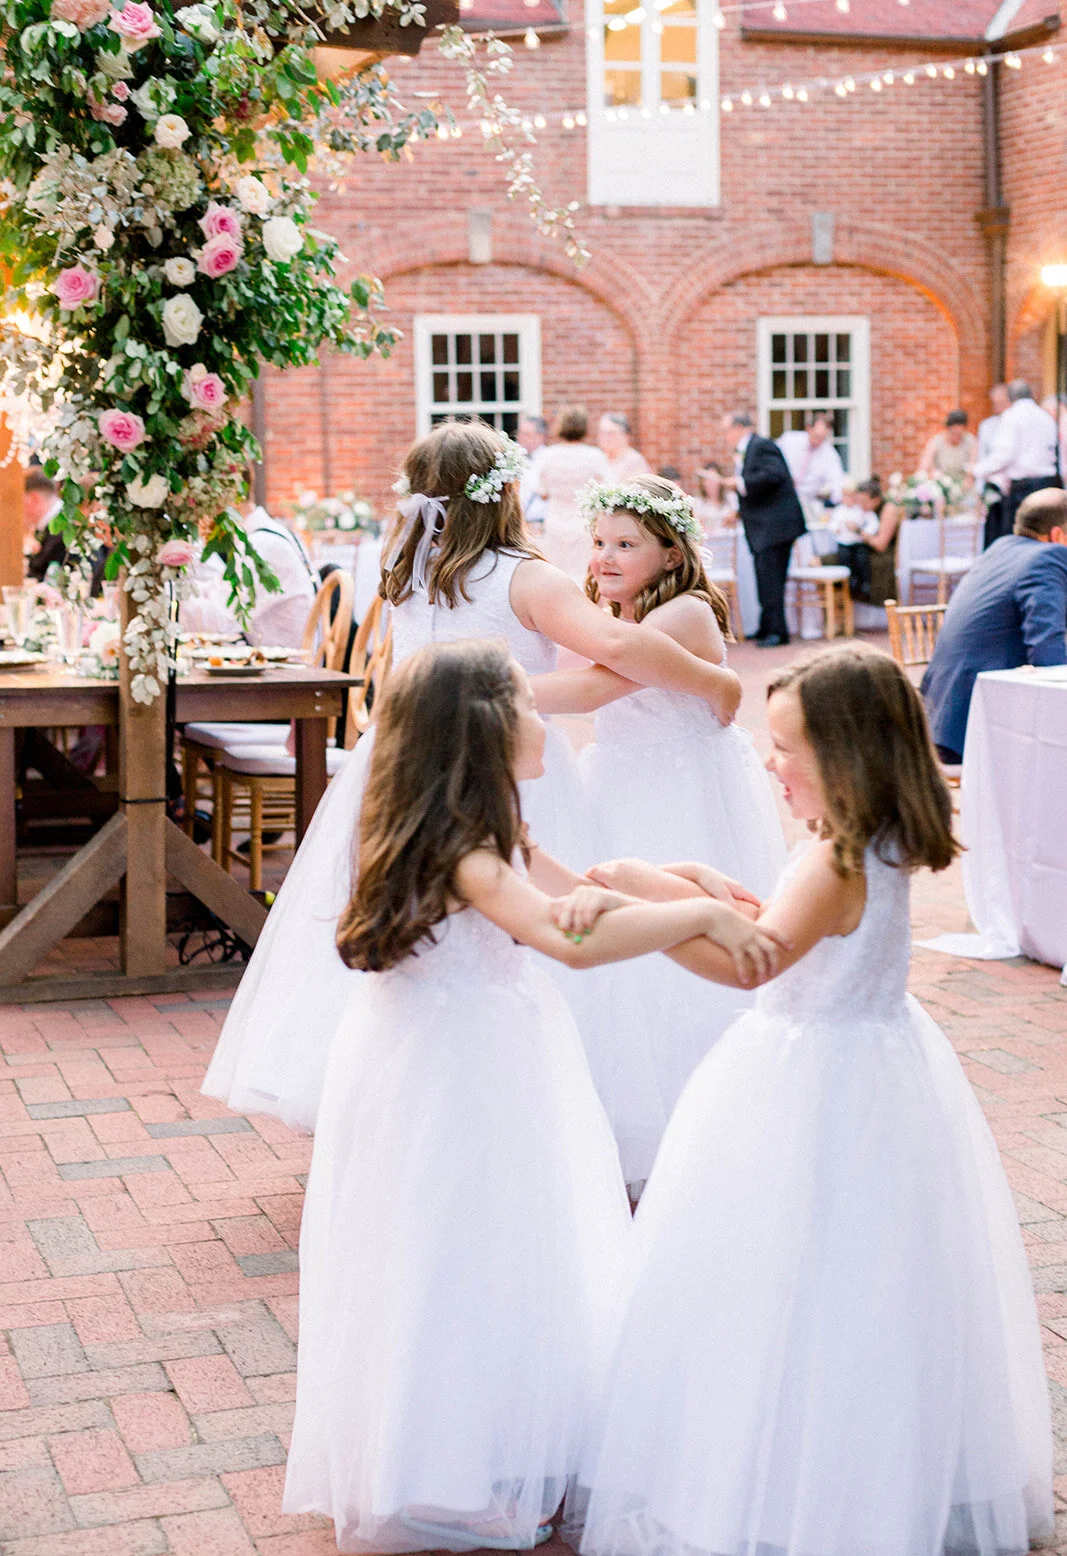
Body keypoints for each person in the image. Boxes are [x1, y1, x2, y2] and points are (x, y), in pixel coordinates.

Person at [564, 644, 1054, 1556]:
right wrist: (690, 887)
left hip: (808, 1078)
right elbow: (760, 914)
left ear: (845, 751)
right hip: (875, 1066)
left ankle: (785, 1483)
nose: (767, 761)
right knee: (867, 1279)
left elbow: (751, 962)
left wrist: (637, 915)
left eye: (784, 745)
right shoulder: (866, 843)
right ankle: (872, 1472)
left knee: (785, 1273)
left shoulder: (831, 862)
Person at [281, 639, 782, 1556]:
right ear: (480, 731)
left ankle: (502, 1440)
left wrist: (683, 881)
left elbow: (583, 890)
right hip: (453, 1068)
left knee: (514, 1243)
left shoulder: (491, 828)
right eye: (522, 701)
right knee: (458, 1250)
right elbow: (568, 939)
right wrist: (701, 920)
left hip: (490, 1047)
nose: (538, 712)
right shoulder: (461, 851)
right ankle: (447, 1463)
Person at [201, 421, 742, 1132]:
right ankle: (535, 1105)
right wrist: (712, 677)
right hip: (501, 764)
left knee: (421, 924)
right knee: (521, 924)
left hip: (400, 759)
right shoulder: (524, 574)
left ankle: (402, 1094)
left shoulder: (410, 570)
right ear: (504, 491)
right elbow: (614, 643)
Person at [534, 476, 786, 1186]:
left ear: (671, 554)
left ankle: (694, 1119)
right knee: (629, 941)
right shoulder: (623, 610)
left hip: (675, 788)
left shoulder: (678, 616)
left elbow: (591, 691)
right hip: (623, 779)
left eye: (625, 545)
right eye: (598, 543)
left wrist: (470, 680)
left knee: (667, 952)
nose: (603, 558)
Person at [921, 486, 1067, 764]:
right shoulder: (1048, 558)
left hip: (938, 719)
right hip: (976, 728)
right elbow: (1048, 653)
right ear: (1057, 535)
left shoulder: (998, 550)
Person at [182, 501, 318, 648]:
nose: (200, 513)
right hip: (268, 659)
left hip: (289, 666)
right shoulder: (267, 534)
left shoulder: (263, 545)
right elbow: (216, 588)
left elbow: (219, 624)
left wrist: (169, 597)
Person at [721, 410, 805, 647]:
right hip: (766, 527)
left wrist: (739, 483)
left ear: (739, 427)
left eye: (726, 430)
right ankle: (767, 625)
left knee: (772, 579)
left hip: (775, 527)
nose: (725, 436)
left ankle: (778, 632)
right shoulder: (750, 449)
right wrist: (739, 511)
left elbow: (774, 476)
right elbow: (763, 492)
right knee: (765, 577)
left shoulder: (761, 445)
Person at [973, 379, 1060, 544]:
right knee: (1044, 538)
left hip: (1023, 489)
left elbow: (1004, 455)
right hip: (1048, 483)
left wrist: (978, 470)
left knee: (1018, 540)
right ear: (1031, 395)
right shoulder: (1045, 416)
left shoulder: (1012, 416)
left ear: (1010, 398)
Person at [535, 406, 608, 581]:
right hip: (583, 521)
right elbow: (606, 490)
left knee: (557, 572)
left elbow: (541, 492)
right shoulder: (595, 456)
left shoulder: (547, 455)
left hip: (555, 522)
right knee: (583, 571)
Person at [828, 476, 901, 605]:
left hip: (877, 555)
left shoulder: (888, 509)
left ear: (876, 500)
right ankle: (835, 611)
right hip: (854, 548)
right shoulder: (857, 510)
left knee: (829, 563)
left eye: (864, 501)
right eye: (859, 501)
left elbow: (880, 545)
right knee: (823, 560)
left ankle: (840, 606)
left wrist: (858, 531)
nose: (861, 505)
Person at [775, 411, 845, 506]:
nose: (818, 441)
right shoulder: (789, 440)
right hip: (781, 495)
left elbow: (836, 480)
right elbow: (772, 460)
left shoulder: (830, 454)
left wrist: (836, 501)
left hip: (809, 501)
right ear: (808, 428)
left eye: (822, 438)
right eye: (816, 436)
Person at [976, 382, 1011, 548]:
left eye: (1001, 404)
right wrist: (979, 492)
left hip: (1012, 490)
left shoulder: (1016, 424)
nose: (998, 409)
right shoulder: (987, 426)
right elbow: (982, 458)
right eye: (995, 404)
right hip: (993, 489)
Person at [918, 408, 977, 480]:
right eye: (953, 433)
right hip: (941, 481)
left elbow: (973, 463)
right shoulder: (936, 441)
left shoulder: (970, 441)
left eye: (959, 434)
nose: (956, 437)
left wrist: (969, 477)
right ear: (947, 429)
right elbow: (925, 463)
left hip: (963, 482)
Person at [596, 412, 650, 483]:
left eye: (610, 433)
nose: (605, 438)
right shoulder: (597, 458)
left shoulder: (634, 461)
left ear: (625, 436)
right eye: (601, 433)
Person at [517, 413, 547, 528]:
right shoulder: (512, 457)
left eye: (527, 434)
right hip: (518, 525)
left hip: (539, 524)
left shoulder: (548, 459)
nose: (521, 438)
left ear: (540, 437)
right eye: (520, 433)